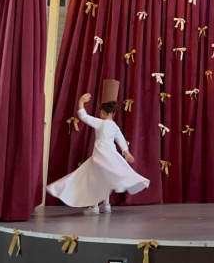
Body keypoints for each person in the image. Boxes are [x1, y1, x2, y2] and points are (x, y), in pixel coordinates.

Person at [47, 80, 150, 215]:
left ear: (102, 113)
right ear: (113, 113)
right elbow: (121, 140)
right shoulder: (114, 126)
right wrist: (126, 152)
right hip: (111, 155)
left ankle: (95, 206)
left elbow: (83, 116)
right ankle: (106, 205)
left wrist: (81, 102)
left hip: (100, 155)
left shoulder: (100, 123)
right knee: (105, 180)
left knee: (95, 180)